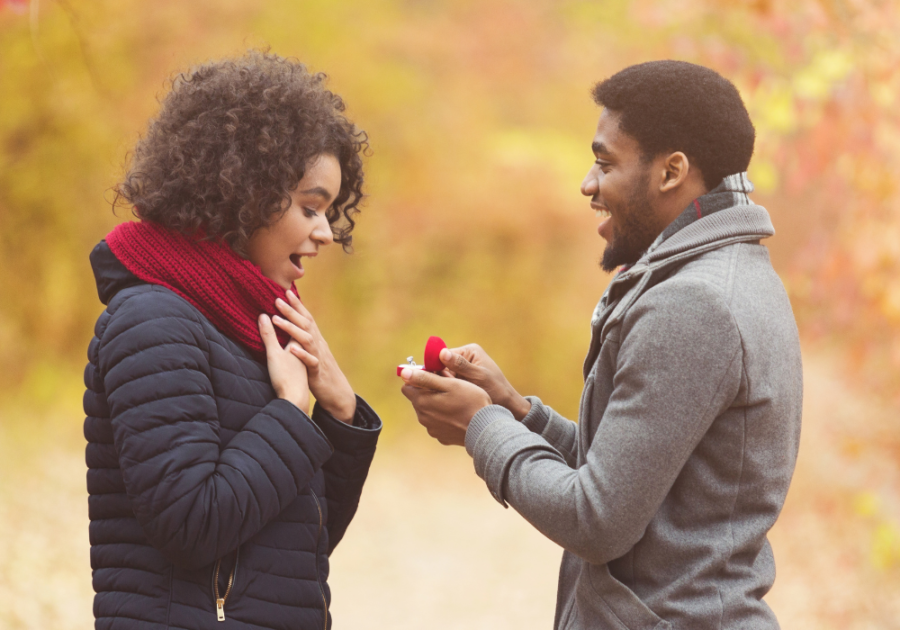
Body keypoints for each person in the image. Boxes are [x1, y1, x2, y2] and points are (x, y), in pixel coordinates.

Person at [400, 60, 802, 630]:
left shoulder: (694, 305)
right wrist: (515, 411)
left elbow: (596, 519)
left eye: (605, 162)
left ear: (671, 171)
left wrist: (479, 428)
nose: (589, 185)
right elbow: (624, 478)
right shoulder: (732, 275)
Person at [83, 51, 381, 630]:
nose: (325, 232)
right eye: (310, 208)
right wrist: (292, 414)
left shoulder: (248, 326)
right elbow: (192, 526)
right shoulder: (153, 320)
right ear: (243, 194)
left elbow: (295, 546)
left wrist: (338, 411)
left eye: (329, 212)